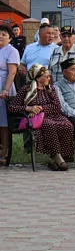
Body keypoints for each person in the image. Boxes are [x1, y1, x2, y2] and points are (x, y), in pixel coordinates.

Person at [8, 65, 75, 170]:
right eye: (46, 76)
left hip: (53, 115)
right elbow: (12, 107)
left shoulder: (50, 89)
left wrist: (41, 108)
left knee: (68, 125)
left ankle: (63, 157)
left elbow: (57, 106)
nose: (49, 78)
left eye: (49, 76)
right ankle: (57, 156)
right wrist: (28, 108)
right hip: (38, 119)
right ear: (38, 78)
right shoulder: (26, 89)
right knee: (49, 125)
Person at [0, 24, 20, 160]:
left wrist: (5, 90)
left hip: (4, 87)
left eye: (4, 34)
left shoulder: (12, 51)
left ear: (10, 38)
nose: (0, 36)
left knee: (3, 122)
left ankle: (4, 152)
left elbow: (12, 73)